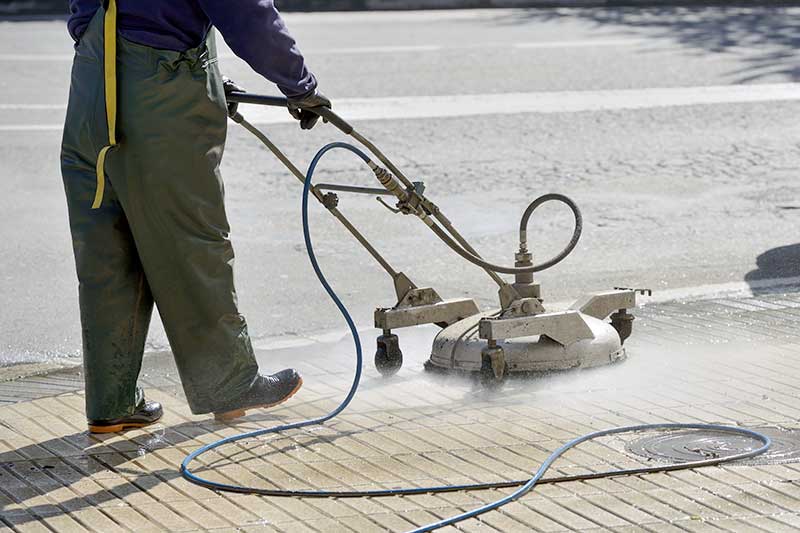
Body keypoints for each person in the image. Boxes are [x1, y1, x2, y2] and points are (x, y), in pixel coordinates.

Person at [62, 0, 330, 433]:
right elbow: (245, 11)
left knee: (110, 248)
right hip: (158, 92)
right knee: (193, 238)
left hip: (94, 81)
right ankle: (230, 384)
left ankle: (113, 403)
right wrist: (298, 82)